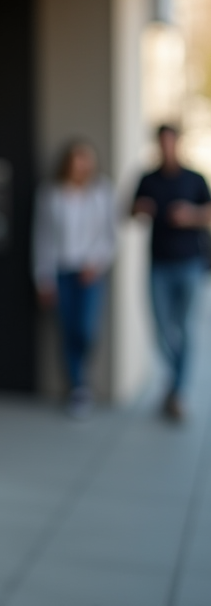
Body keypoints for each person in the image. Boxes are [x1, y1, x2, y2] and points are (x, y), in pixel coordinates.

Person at [132, 124, 211, 422]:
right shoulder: (148, 179)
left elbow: (209, 212)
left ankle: (178, 392)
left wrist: (190, 215)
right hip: (159, 265)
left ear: (177, 143)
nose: (166, 147)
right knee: (162, 329)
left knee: (187, 328)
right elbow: (131, 212)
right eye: (161, 142)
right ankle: (177, 381)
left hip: (190, 263)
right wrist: (141, 210)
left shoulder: (195, 178)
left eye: (170, 141)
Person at [33, 140, 116, 417]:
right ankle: (78, 387)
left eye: (86, 159)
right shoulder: (51, 193)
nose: (82, 165)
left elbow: (109, 236)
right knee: (67, 330)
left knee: (86, 329)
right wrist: (43, 278)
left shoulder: (102, 192)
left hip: (90, 273)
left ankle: (82, 379)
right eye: (77, 159)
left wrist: (97, 262)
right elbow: (42, 237)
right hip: (61, 272)